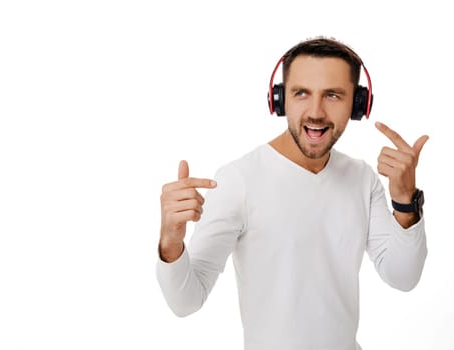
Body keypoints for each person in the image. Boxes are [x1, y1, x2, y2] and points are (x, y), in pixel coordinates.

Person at [156, 37, 428, 350]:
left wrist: (406, 198)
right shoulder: (239, 180)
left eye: (333, 95)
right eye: (301, 93)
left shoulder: (361, 177)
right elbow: (185, 301)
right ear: (280, 99)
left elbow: (403, 276)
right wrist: (171, 240)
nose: (316, 112)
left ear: (357, 104)